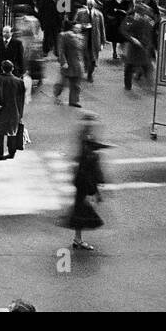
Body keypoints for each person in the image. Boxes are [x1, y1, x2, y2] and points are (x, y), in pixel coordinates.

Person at [63, 114, 107, 251]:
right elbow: (88, 163)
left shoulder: (84, 138)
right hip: (84, 181)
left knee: (80, 210)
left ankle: (78, 238)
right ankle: (78, 239)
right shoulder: (86, 141)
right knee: (81, 210)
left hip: (81, 180)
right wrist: (93, 189)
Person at [0, 60, 25, 161]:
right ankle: (11, 152)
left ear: (2, 68)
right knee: (12, 132)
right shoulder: (19, 82)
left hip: (0, 110)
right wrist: (20, 113)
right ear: (12, 68)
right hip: (14, 110)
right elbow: (22, 99)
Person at [54, 20, 88, 108]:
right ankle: (57, 94)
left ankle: (74, 101)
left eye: (79, 28)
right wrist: (63, 62)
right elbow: (61, 50)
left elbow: (82, 52)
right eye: (77, 27)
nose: (79, 29)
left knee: (76, 83)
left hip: (78, 63)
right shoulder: (64, 36)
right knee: (62, 82)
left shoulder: (80, 37)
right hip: (68, 63)